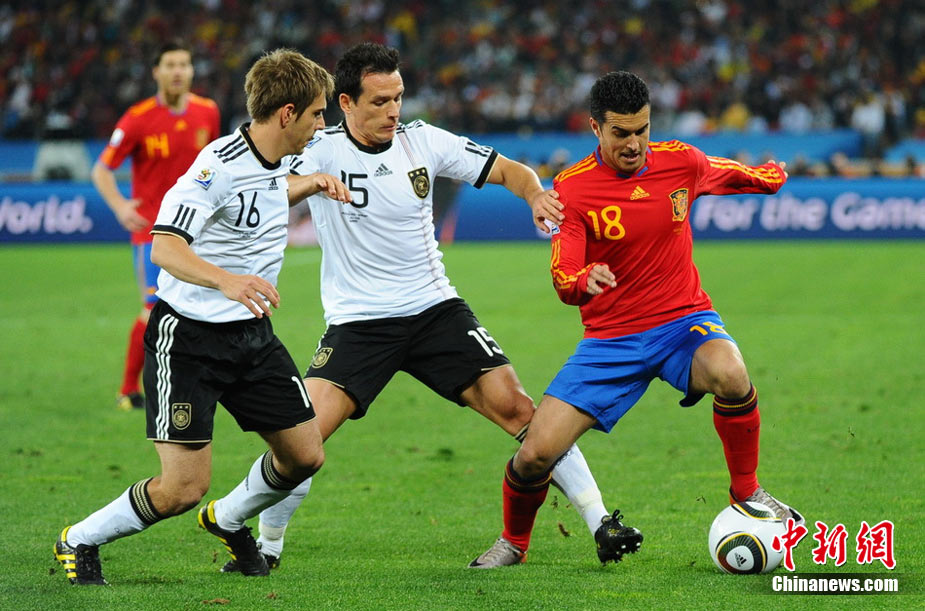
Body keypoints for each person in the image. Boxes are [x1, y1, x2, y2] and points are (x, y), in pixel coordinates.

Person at [215, 42, 641, 573]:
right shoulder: (318, 148)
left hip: (434, 310)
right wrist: (311, 183)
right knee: (303, 437)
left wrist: (534, 195)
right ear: (345, 103)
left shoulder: (423, 140)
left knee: (518, 408)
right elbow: (258, 189)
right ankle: (265, 543)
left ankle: (601, 522)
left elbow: (509, 170)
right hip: (359, 323)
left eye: (398, 97)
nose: (393, 110)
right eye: (379, 101)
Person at [471, 70, 805, 568]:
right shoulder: (573, 189)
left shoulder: (680, 161)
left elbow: (729, 173)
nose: (634, 144)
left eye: (642, 130)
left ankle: (748, 492)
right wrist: (583, 280)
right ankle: (514, 543)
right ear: (595, 128)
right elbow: (563, 275)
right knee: (536, 453)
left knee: (731, 372)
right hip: (611, 342)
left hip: (682, 324)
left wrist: (769, 178)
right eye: (621, 133)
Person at [53, 49, 351, 585]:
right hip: (188, 340)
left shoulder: (279, 162)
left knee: (305, 455)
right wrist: (226, 280)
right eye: (315, 114)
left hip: (252, 336)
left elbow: (263, 194)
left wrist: (309, 184)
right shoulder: (216, 167)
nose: (321, 124)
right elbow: (164, 247)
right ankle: (79, 538)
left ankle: (229, 519)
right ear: (287, 114)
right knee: (182, 489)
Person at [91, 40, 221, 411]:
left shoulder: (208, 112)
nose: (178, 71)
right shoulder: (138, 118)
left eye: (184, 64)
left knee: (202, 306)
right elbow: (101, 170)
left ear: (192, 71)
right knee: (153, 307)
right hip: (154, 232)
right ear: (156, 72)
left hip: (199, 229)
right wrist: (120, 206)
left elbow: (216, 164)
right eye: (170, 65)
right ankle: (129, 389)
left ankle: (198, 381)